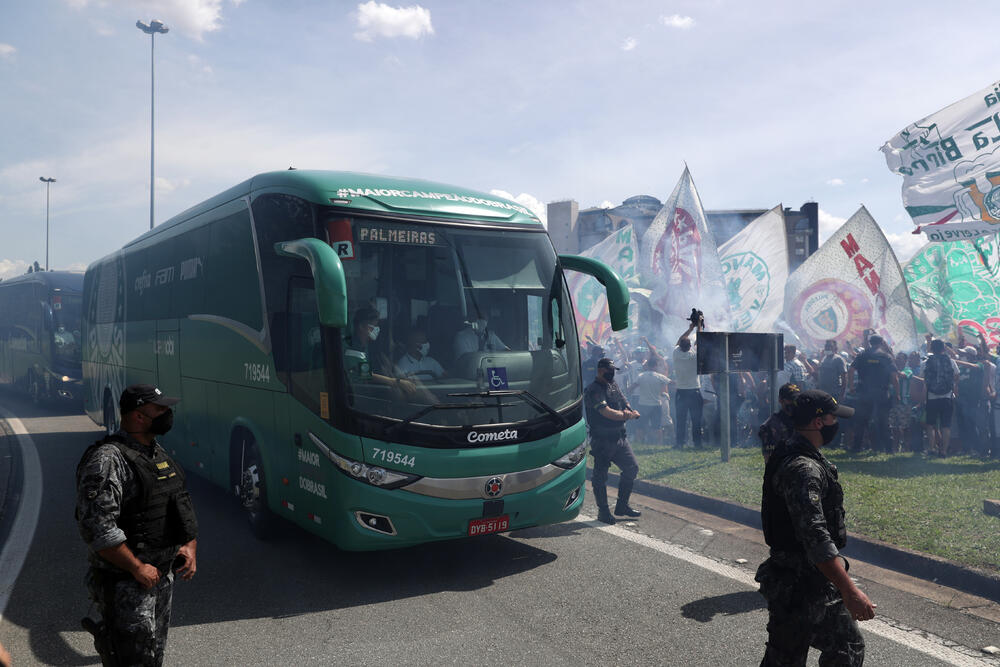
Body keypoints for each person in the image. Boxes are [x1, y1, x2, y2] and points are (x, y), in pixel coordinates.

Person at [76, 385, 199, 667]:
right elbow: (98, 528)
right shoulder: (107, 460)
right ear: (139, 416)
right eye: (160, 410)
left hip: (159, 578)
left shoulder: (155, 453)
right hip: (127, 585)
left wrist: (188, 546)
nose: (167, 414)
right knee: (130, 660)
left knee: (153, 659)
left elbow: (178, 503)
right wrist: (136, 567)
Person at [755, 389, 875, 666]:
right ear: (818, 423)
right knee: (846, 647)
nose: (838, 424)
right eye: (834, 418)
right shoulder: (804, 468)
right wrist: (850, 590)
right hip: (803, 584)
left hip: (797, 581)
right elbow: (815, 537)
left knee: (786, 656)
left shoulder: (794, 452)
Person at [584, 358, 641, 524]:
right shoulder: (594, 389)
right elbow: (605, 412)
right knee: (600, 476)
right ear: (600, 370)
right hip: (603, 440)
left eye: (613, 370)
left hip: (619, 437)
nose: (612, 373)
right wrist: (626, 415)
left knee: (631, 468)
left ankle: (622, 506)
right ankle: (603, 512)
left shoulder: (613, 385)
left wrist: (630, 409)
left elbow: (623, 400)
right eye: (609, 370)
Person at [847, 335, 898, 452]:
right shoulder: (886, 356)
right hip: (882, 393)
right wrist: (897, 392)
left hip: (864, 392)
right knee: (884, 421)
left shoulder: (862, 355)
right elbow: (894, 377)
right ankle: (889, 449)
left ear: (870, 343)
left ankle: (856, 448)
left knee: (861, 421)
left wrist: (851, 387)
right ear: (881, 342)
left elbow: (850, 370)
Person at [922, 339, 958, 457]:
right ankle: (943, 451)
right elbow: (956, 376)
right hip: (947, 396)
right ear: (944, 348)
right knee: (946, 425)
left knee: (930, 424)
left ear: (931, 349)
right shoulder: (951, 361)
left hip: (931, 397)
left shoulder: (927, 362)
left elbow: (924, 379)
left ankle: (932, 448)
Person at [672, 320, 703, 449]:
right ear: (690, 346)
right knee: (696, 420)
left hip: (681, 392)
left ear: (680, 347)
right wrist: (699, 326)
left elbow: (680, 340)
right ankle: (697, 444)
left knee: (681, 420)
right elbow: (700, 340)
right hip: (695, 391)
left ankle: (680, 443)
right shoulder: (694, 354)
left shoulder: (676, 353)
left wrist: (690, 329)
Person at [758, 383, 801, 462]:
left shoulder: (803, 421)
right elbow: (770, 459)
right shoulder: (769, 426)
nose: (794, 403)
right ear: (780, 400)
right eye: (790, 400)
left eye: (796, 399)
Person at [636, 357, 670, 444]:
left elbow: (632, 387)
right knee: (657, 426)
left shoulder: (641, 376)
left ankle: (639, 442)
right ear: (655, 366)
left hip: (643, 404)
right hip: (656, 404)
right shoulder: (659, 376)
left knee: (640, 426)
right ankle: (659, 443)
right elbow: (671, 382)